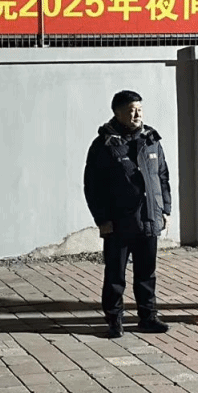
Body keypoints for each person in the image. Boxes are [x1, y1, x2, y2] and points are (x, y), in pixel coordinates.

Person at [83, 90, 172, 339]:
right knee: (115, 275)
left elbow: (162, 177)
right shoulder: (103, 145)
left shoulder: (151, 139)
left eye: (140, 110)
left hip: (149, 218)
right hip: (118, 223)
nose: (137, 115)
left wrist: (165, 209)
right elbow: (92, 186)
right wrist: (102, 219)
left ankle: (148, 316)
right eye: (131, 110)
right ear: (117, 113)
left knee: (147, 273)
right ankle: (114, 319)